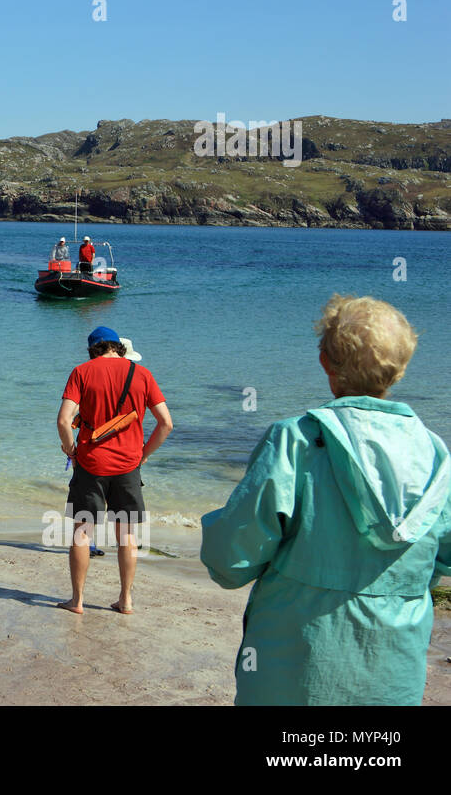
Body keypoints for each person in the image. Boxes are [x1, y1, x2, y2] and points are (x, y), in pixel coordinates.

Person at [200, 294, 451, 705]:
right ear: (401, 370)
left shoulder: (295, 440)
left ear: (325, 363)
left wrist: (215, 526)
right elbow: (442, 556)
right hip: (393, 673)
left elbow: (231, 561)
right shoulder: (436, 454)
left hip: (291, 671)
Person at [56, 326, 172, 614]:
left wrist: (71, 448)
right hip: (127, 468)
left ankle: (77, 600)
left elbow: (63, 421)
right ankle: (125, 600)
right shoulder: (142, 374)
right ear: (118, 347)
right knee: (127, 536)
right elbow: (166, 424)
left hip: (91, 465)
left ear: (93, 349)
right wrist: (143, 455)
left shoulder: (82, 372)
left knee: (81, 533)